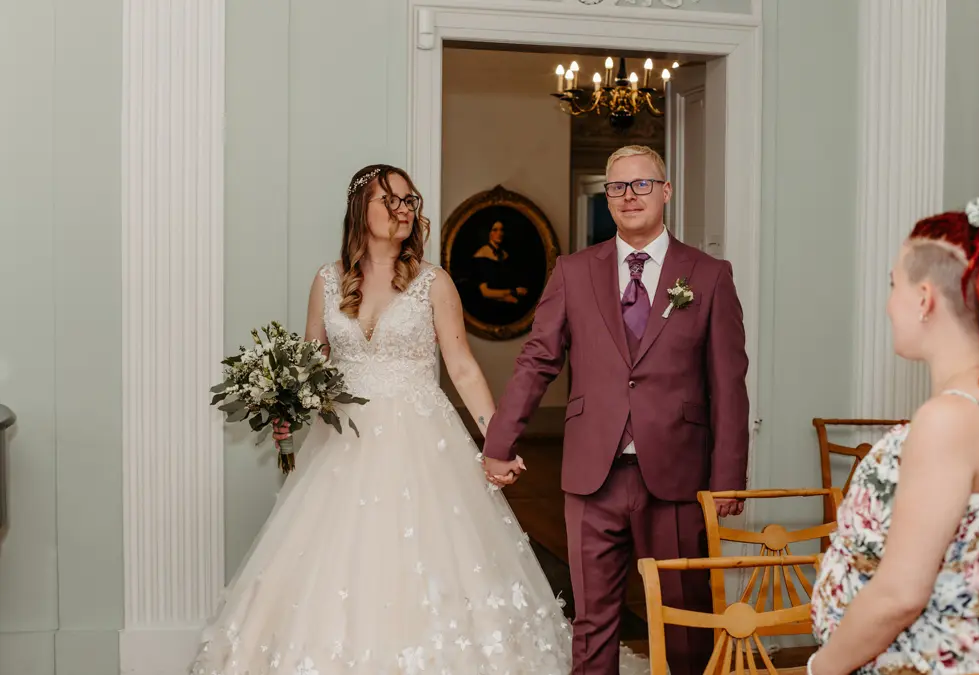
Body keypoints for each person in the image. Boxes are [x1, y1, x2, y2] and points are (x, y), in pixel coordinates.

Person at [188, 164, 651, 675]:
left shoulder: (434, 282)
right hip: (339, 450)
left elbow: (462, 367)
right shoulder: (326, 281)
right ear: (359, 211)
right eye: (389, 200)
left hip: (420, 441)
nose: (403, 209)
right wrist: (285, 411)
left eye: (409, 200)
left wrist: (499, 438)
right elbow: (310, 366)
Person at [482, 145, 751, 675]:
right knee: (593, 620)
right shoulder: (574, 272)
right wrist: (499, 443)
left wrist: (728, 478)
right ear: (607, 198)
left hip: (677, 475)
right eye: (617, 188)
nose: (629, 197)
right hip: (591, 473)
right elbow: (538, 360)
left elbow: (729, 384)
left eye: (642, 185)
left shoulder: (709, 274)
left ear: (666, 191)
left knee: (686, 619)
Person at [809, 191, 979, 674]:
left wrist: (821, 668)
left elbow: (900, 594)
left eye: (893, 284)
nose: (887, 303)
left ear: (924, 299)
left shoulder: (949, 420)